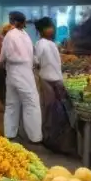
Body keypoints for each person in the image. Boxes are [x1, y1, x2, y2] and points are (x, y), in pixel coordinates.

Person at [35, 17, 76, 154]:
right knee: (49, 110)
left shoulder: (51, 43)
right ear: (41, 30)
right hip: (47, 80)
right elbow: (36, 61)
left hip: (57, 80)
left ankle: (58, 139)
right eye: (48, 27)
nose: (51, 29)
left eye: (52, 26)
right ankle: (49, 139)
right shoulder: (40, 44)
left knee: (58, 111)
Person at [0, 11, 42, 143]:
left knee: (12, 103)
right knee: (31, 102)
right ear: (22, 22)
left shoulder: (9, 36)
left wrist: (2, 66)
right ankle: (35, 137)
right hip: (24, 72)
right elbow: (32, 56)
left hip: (12, 72)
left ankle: (10, 133)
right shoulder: (26, 36)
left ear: (14, 21)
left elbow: (2, 58)